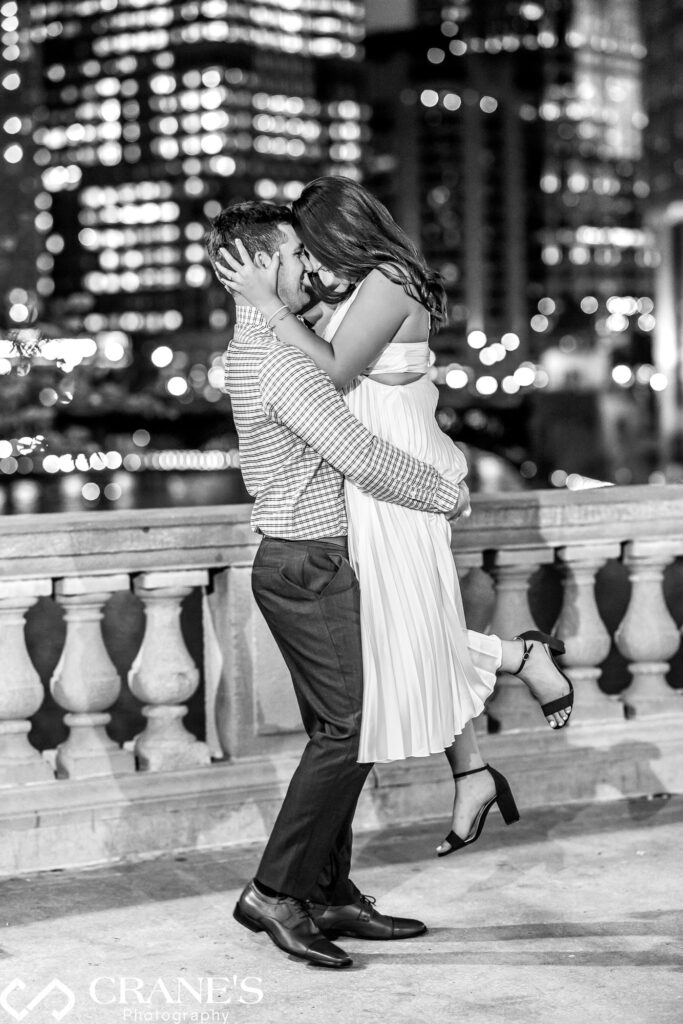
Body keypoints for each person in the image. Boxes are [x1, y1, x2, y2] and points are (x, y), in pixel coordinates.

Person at [214, 176, 574, 863]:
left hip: (395, 470)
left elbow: (338, 373)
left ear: (336, 236)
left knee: (401, 623)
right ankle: (473, 763)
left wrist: (271, 303)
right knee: (398, 625)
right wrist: (273, 302)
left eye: (309, 250)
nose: (310, 268)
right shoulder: (350, 288)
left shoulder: (386, 279)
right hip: (372, 475)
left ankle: (506, 687)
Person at [205, 200, 473, 970]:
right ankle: (276, 891)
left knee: (344, 725)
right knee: (348, 730)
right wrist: (441, 491)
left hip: (308, 560)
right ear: (258, 266)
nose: (310, 268)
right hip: (307, 563)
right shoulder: (278, 359)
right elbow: (356, 451)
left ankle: (328, 894)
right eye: (295, 255)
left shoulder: (268, 343)